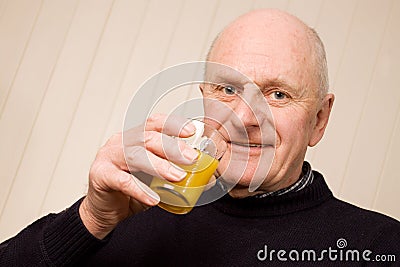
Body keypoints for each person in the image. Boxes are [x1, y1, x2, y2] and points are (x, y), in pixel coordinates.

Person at [1, 9, 399, 266]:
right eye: (227, 90)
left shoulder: (380, 246)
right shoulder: (130, 210)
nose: (243, 117)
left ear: (319, 119)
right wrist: (89, 220)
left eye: (278, 94)